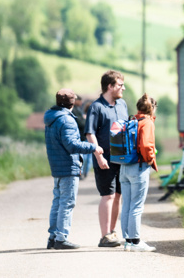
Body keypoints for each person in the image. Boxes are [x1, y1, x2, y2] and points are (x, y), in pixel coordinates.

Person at [44, 88, 101, 250]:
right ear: (72, 103)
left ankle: (53, 237)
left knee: (57, 202)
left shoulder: (51, 118)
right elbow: (71, 145)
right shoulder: (67, 120)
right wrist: (93, 147)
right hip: (68, 166)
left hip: (56, 166)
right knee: (67, 203)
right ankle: (61, 237)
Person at [85, 70, 129, 248]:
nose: (123, 88)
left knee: (118, 195)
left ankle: (112, 232)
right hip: (104, 159)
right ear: (110, 86)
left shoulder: (122, 104)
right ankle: (104, 236)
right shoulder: (96, 107)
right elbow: (90, 133)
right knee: (108, 195)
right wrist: (99, 155)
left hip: (122, 159)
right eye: (120, 85)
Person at [120, 93, 159, 252]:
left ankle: (128, 241)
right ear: (152, 108)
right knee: (137, 206)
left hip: (124, 167)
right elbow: (146, 144)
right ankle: (136, 242)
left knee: (127, 205)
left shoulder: (132, 120)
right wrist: (150, 159)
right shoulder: (147, 122)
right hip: (138, 167)